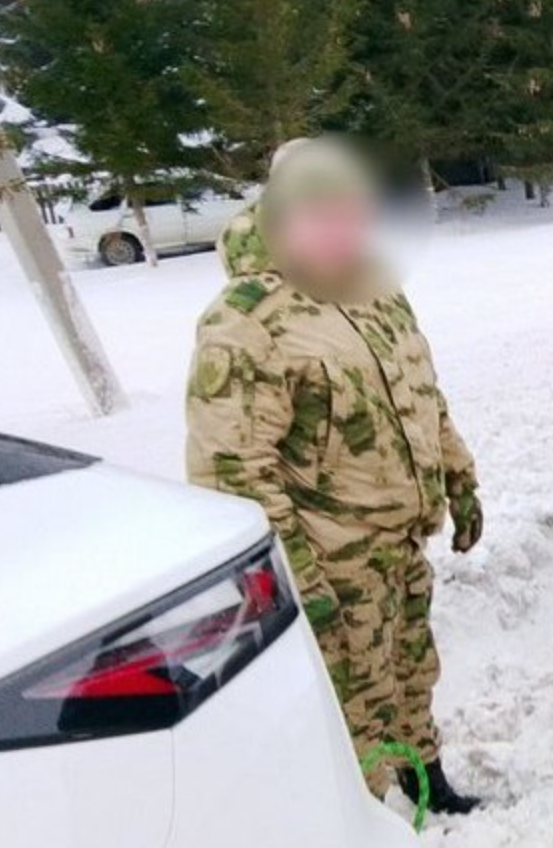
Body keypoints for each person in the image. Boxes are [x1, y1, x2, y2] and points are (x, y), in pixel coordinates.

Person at [184, 139, 484, 812]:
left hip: (400, 544)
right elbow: (231, 469)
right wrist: (297, 576)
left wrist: (460, 481)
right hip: (329, 561)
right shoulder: (247, 319)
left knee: (411, 669)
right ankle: (367, 814)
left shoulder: (377, 289)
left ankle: (426, 782)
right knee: (351, 697)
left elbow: (424, 397)